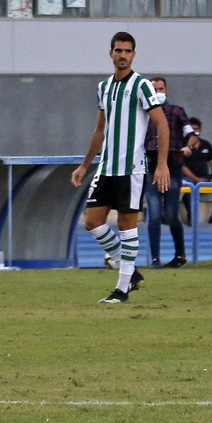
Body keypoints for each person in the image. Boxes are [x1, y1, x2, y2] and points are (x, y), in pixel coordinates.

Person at [69, 31, 169, 304]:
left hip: (132, 168)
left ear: (133, 54)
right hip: (106, 167)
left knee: (127, 226)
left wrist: (161, 164)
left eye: (127, 51)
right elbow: (100, 130)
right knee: (92, 222)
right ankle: (131, 273)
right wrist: (84, 165)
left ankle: (122, 288)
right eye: (118, 50)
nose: (122, 55)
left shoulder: (142, 86)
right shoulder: (104, 87)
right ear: (111, 53)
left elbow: (161, 124)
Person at [141, 76, 199, 268]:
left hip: (173, 166)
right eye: (154, 90)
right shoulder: (143, 113)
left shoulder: (176, 111)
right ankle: (155, 258)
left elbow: (191, 134)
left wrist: (188, 147)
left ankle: (180, 255)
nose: (158, 93)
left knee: (172, 213)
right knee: (155, 213)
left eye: (161, 89)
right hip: (151, 165)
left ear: (166, 90)